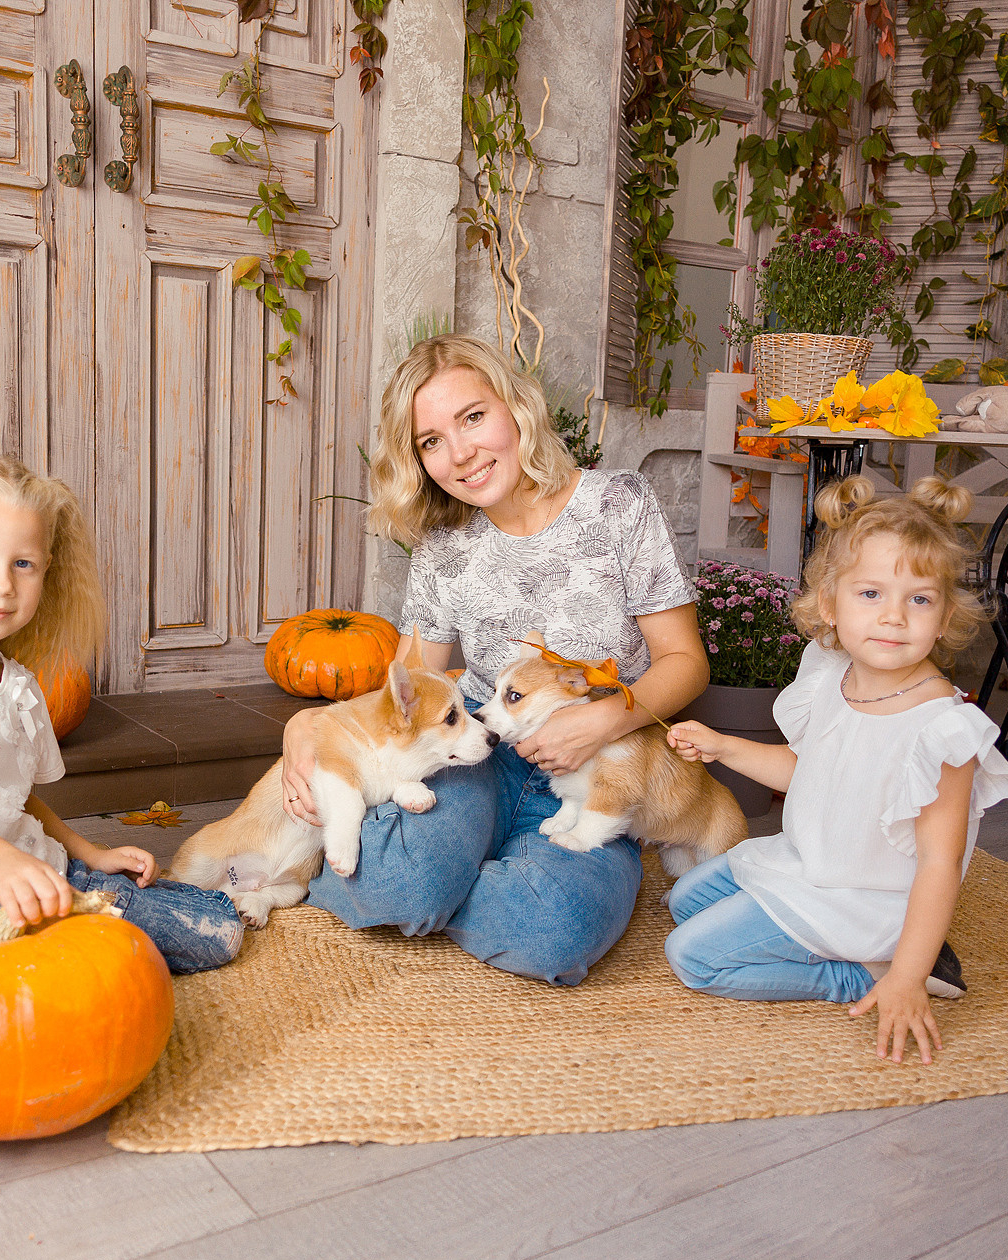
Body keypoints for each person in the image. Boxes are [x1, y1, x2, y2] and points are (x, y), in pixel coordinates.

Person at [279, 333, 709, 985]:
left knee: (555, 935)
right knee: (398, 882)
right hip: (476, 758)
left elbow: (684, 660)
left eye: (473, 418)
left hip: (601, 773)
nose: (461, 455)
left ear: (515, 407)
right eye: (431, 441)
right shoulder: (445, 545)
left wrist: (603, 722)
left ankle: (449, 882)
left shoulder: (618, 505)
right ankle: (451, 873)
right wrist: (302, 728)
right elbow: (408, 694)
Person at [664, 475, 1008, 1064]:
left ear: (945, 614)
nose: (894, 618)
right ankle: (847, 948)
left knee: (693, 956)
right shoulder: (834, 672)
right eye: (871, 594)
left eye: (920, 599)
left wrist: (903, 978)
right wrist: (724, 746)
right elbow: (810, 773)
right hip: (811, 862)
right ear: (831, 603)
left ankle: (870, 975)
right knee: (685, 900)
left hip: (866, 897)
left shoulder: (942, 733)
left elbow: (939, 863)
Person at [0, 453, 242, 972]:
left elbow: (15, 798)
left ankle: (104, 900)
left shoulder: (19, 688)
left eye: (22, 564)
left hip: (44, 884)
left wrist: (88, 851)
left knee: (220, 933)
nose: (2, 584)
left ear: (45, 573)